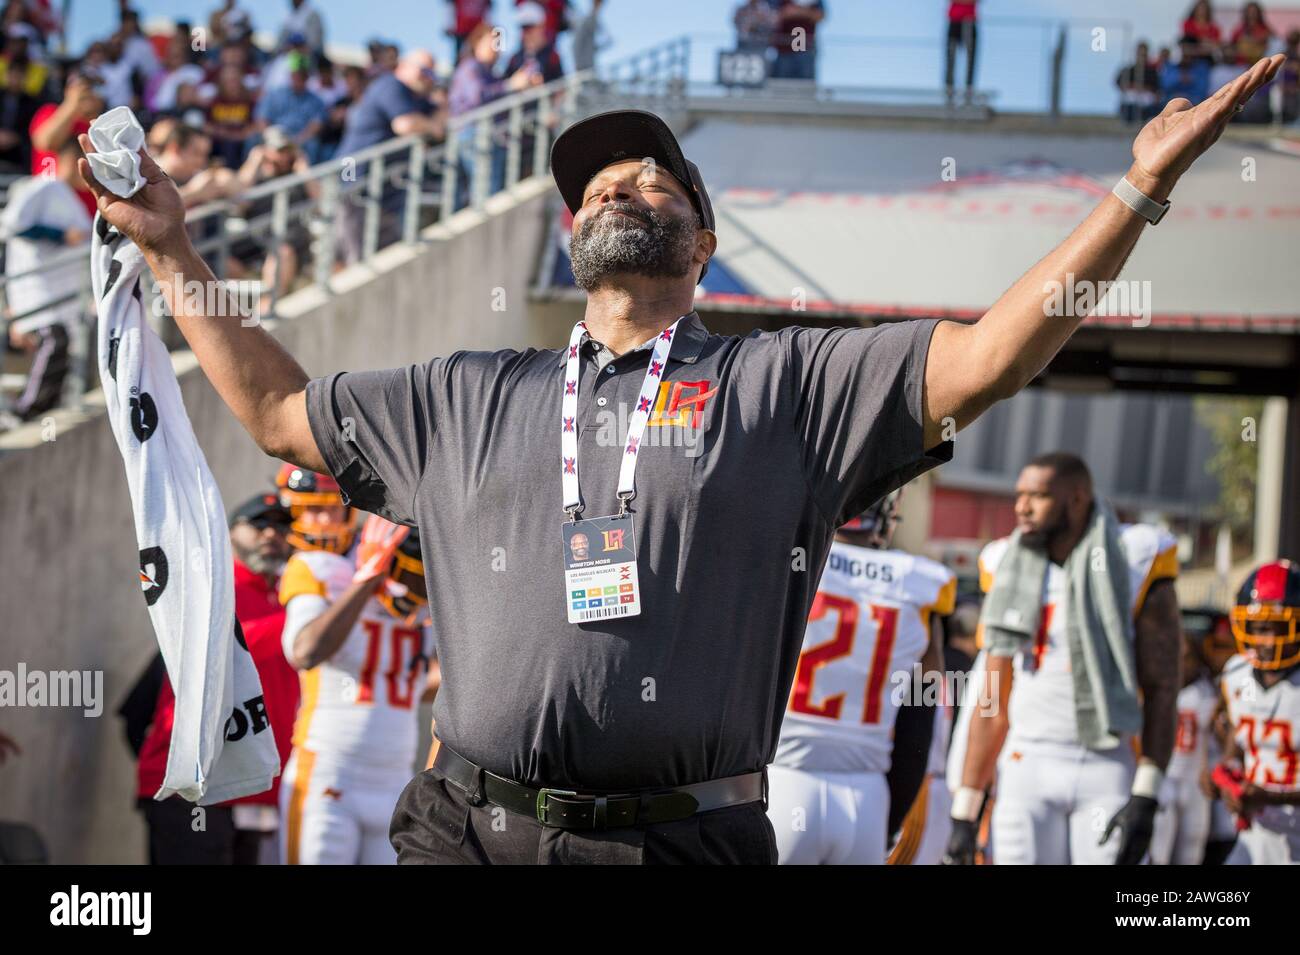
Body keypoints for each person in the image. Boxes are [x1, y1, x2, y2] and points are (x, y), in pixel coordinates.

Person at [78, 57, 1286, 865]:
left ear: (702, 242)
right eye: (599, 179)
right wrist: (179, 246)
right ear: (571, 234)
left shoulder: (791, 383)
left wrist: (1137, 187)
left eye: (654, 175)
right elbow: (283, 409)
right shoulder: (466, 392)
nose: (620, 181)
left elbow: (986, 359)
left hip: (683, 846)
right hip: (465, 830)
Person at [944, 453, 1183, 866]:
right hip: (1026, 765)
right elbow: (993, 699)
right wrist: (966, 812)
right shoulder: (1006, 562)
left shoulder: (1132, 557)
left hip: (1105, 762)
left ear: (1076, 499)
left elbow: (1162, 683)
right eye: (1019, 495)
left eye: (1037, 496)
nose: (1021, 507)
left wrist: (1146, 792)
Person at [767, 490, 953, 864]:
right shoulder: (921, 583)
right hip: (865, 797)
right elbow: (920, 721)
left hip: (780, 783)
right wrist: (890, 819)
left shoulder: (782, 558)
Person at [128, 491, 299, 864]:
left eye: (283, 527)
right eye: (259, 524)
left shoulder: (289, 599)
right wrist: (306, 620)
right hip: (190, 790)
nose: (272, 534)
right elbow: (224, 642)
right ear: (230, 530)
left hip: (250, 790)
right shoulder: (211, 583)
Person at [279, 513, 436, 864]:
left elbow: (428, 682)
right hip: (330, 774)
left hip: (395, 778)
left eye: (423, 580)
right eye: (406, 574)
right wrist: (365, 582)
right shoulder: (324, 572)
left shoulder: (430, 604)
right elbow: (305, 651)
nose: (414, 590)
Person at [0, 136, 90, 424]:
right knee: (54, 340)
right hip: (35, 287)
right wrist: (58, 235)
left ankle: (43, 408)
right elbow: (11, 224)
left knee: (62, 343)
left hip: (60, 289)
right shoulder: (42, 186)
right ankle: (27, 407)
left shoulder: (69, 197)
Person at [1218, 560, 1300, 864]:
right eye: (1257, 627)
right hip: (1255, 835)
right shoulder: (1236, 673)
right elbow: (1236, 741)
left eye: (1276, 627)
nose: (1265, 640)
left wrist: (1269, 796)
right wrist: (1227, 776)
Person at [333, 48, 444, 264]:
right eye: (423, 70)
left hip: (382, 195)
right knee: (357, 264)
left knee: (383, 262)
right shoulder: (390, 85)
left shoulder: (415, 97)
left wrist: (433, 121)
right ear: (403, 65)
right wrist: (432, 126)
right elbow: (405, 124)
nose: (427, 77)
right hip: (355, 187)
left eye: (431, 74)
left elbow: (442, 110)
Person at [1147, 622, 1219, 864]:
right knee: (1158, 850)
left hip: (1194, 784)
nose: (1180, 663)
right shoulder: (1155, 690)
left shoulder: (1209, 692)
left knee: (1191, 851)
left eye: (1186, 657)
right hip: (1164, 780)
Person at [30, 72, 104, 217]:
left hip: (89, 212)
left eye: (93, 87)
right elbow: (45, 142)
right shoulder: (50, 112)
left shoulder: (104, 125)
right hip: (47, 204)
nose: (87, 92)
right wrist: (72, 104)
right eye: (82, 86)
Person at [254, 52, 327, 159]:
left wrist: (298, 141)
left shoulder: (316, 101)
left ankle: (308, 175)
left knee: (313, 144)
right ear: (290, 74)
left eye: (302, 75)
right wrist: (271, 137)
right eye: (296, 74)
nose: (299, 78)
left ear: (307, 76)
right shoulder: (274, 94)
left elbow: (316, 125)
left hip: (300, 139)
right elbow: (262, 119)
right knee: (253, 139)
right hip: (274, 136)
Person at [205, 62, 257, 168]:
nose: (231, 84)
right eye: (228, 81)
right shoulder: (215, 101)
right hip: (218, 143)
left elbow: (256, 126)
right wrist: (224, 133)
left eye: (234, 80)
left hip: (241, 143)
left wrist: (238, 135)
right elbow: (207, 126)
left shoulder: (249, 102)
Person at [770, 0, 825, 82]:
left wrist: (798, 11)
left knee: (805, 89)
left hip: (806, 51)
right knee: (780, 88)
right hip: (783, 51)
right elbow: (771, 14)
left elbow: (820, 16)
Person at [1117, 40, 1161, 123]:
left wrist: (1144, 89)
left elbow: (1157, 88)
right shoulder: (1128, 70)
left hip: (1147, 102)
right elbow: (1120, 83)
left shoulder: (1152, 72)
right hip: (1131, 100)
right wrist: (1133, 87)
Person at [945, 1, 978, 101]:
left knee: (970, 56)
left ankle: (969, 89)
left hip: (969, 20)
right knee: (951, 55)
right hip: (954, 19)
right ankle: (949, 88)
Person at [446, 0, 491, 64]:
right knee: (459, 56)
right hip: (461, 31)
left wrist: (487, 29)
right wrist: (449, 25)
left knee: (478, 56)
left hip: (478, 32)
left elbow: (488, 9)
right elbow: (450, 6)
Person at [571, 0, 608, 73]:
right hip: (584, 67)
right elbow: (576, 44)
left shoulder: (592, 20)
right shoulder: (587, 21)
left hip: (589, 65)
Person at [1182, 1, 1224, 66]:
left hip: (1208, 61)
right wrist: (1203, 42)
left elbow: (1216, 45)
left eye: (1204, 9)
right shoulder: (1188, 24)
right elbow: (1187, 43)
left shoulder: (1214, 28)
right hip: (1191, 61)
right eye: (1200, 8)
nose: (1201, 11)